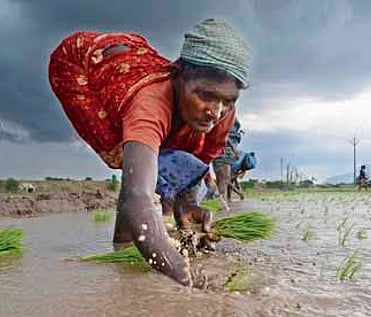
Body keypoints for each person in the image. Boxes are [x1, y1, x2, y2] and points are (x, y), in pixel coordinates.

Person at [48, 18, 250, 286]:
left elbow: (193, 164)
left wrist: (187, 204)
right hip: (78, 63)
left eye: (227, 100)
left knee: (173, 149)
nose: (215, 111)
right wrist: (175, 266)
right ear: (178, 77)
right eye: (205, 95)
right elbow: (137, 194)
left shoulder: (223, 111)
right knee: (131, 156)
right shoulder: (149, 106)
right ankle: (124, 243)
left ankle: (132, 241)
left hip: (130, 55)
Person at [212, 119, 243, 201]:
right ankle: (223, 204)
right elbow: (223, 133)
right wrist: (234, 149)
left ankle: (222, 204)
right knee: (224, 179)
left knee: (222, 180)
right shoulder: (226, 114)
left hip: (219, 151)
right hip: (224, 151)